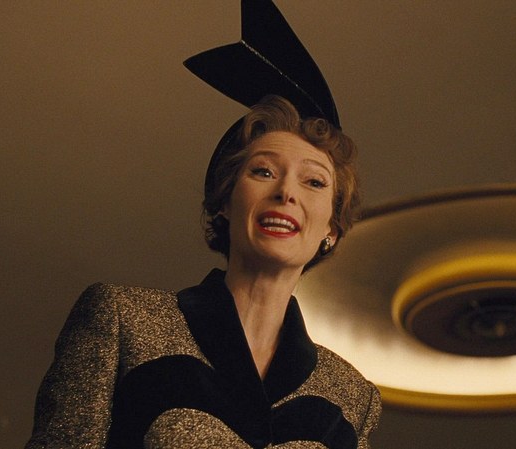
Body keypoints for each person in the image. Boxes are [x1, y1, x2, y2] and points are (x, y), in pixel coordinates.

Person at [25, 2, 381, 449]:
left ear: (332, 229)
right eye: (264, 171)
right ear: (225, 202)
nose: (286, 192)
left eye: (314, 182)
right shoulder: (123, 319)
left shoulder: (353, 396)